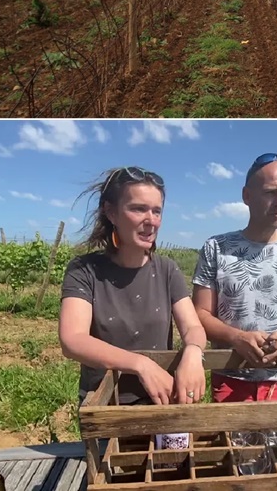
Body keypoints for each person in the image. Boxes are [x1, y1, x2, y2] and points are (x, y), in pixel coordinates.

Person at [59, 166, 206, 407]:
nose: (151, 221)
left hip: (160, 401)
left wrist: (193, 351)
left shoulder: (167, 270)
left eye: (156, 211)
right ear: (111, 212)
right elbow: (73, 339)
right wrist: (141, 364)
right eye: (138, 209)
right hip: (106, 404)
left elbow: (192, 326)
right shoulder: (85, 270)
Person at [192, 152, 277, 402]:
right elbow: (199, 313)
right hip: (231, 379)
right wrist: (236, 338)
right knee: (231, 440)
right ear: (247, 196)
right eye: (270, 192)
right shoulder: (217, 248)